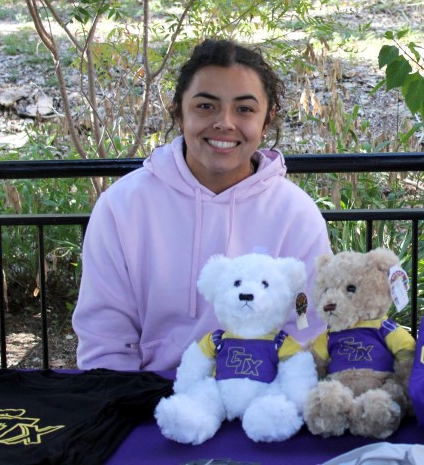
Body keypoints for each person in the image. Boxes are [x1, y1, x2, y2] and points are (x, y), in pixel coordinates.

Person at [73, 39, 331, 371]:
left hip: (261, 400)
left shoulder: (297, 215)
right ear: (178, 112)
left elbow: (307, 326)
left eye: (244, 109)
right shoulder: (121, 207)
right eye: (206, 106)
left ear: (267, 121)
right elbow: (105, 336)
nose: (224, 122)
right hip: (140, 397)